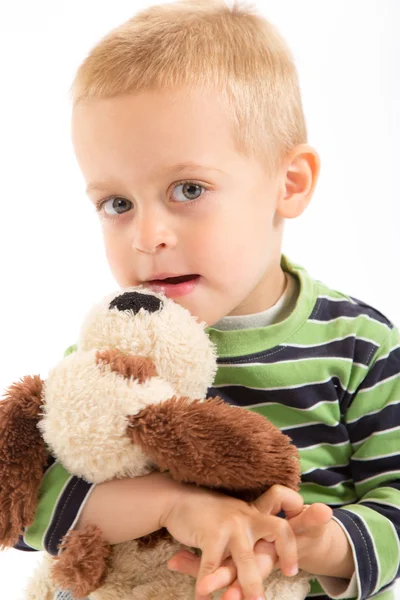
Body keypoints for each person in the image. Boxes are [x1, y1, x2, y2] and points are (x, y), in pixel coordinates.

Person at [13, 1, 400, 599]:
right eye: (117, 204)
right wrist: (172, 506)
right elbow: (22, 505)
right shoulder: (115, 350)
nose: (147, 237)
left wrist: (327, 544)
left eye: (187, 189)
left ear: (289, 183)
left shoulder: (360, 346)